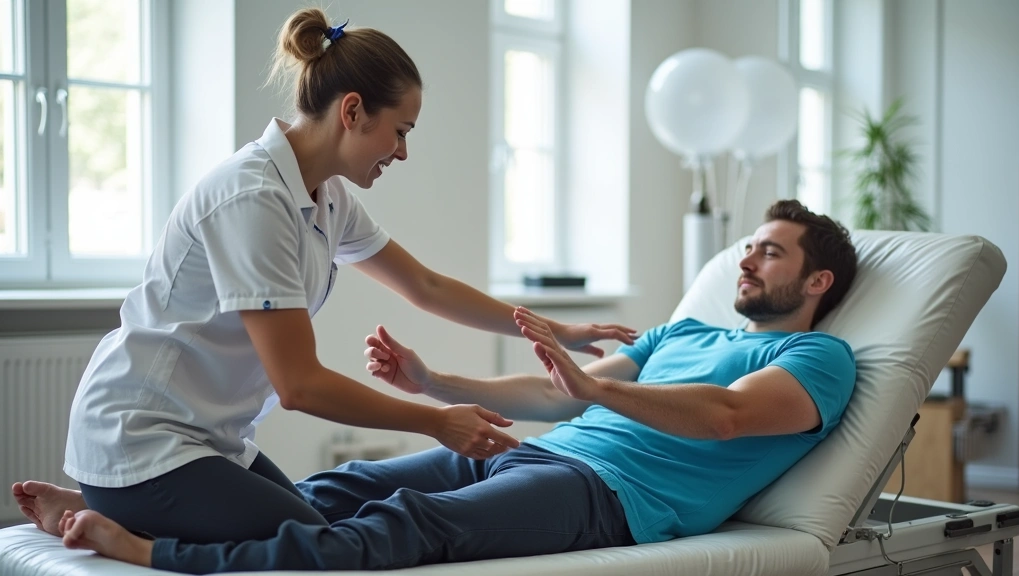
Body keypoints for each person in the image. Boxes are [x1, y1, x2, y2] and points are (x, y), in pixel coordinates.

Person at [9, 7, 637, 549]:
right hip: (140, 439)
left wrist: (561, 331)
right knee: (319, 547)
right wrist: (434, 420)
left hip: (203, 439)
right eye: (401, 131)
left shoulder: (326, 197)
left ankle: (106, 506)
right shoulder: (253, 199)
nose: (403, 152)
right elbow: (300, 385)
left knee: (325, 519)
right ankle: (116, 524)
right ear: (354, 111)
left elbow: (428, 287)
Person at [20, 199, 859, 573]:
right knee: (333, 487)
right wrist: (431, 383)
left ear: (817, 282)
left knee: (402, 527)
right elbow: (559, 396)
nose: (746, 259)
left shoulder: (821, 362)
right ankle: (126, 500)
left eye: (771, 251)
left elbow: (722, 419)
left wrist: (596, 394)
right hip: (537, 453)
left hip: (606, 497)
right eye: (746, 247)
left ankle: (147, 551)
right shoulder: (686, 333)